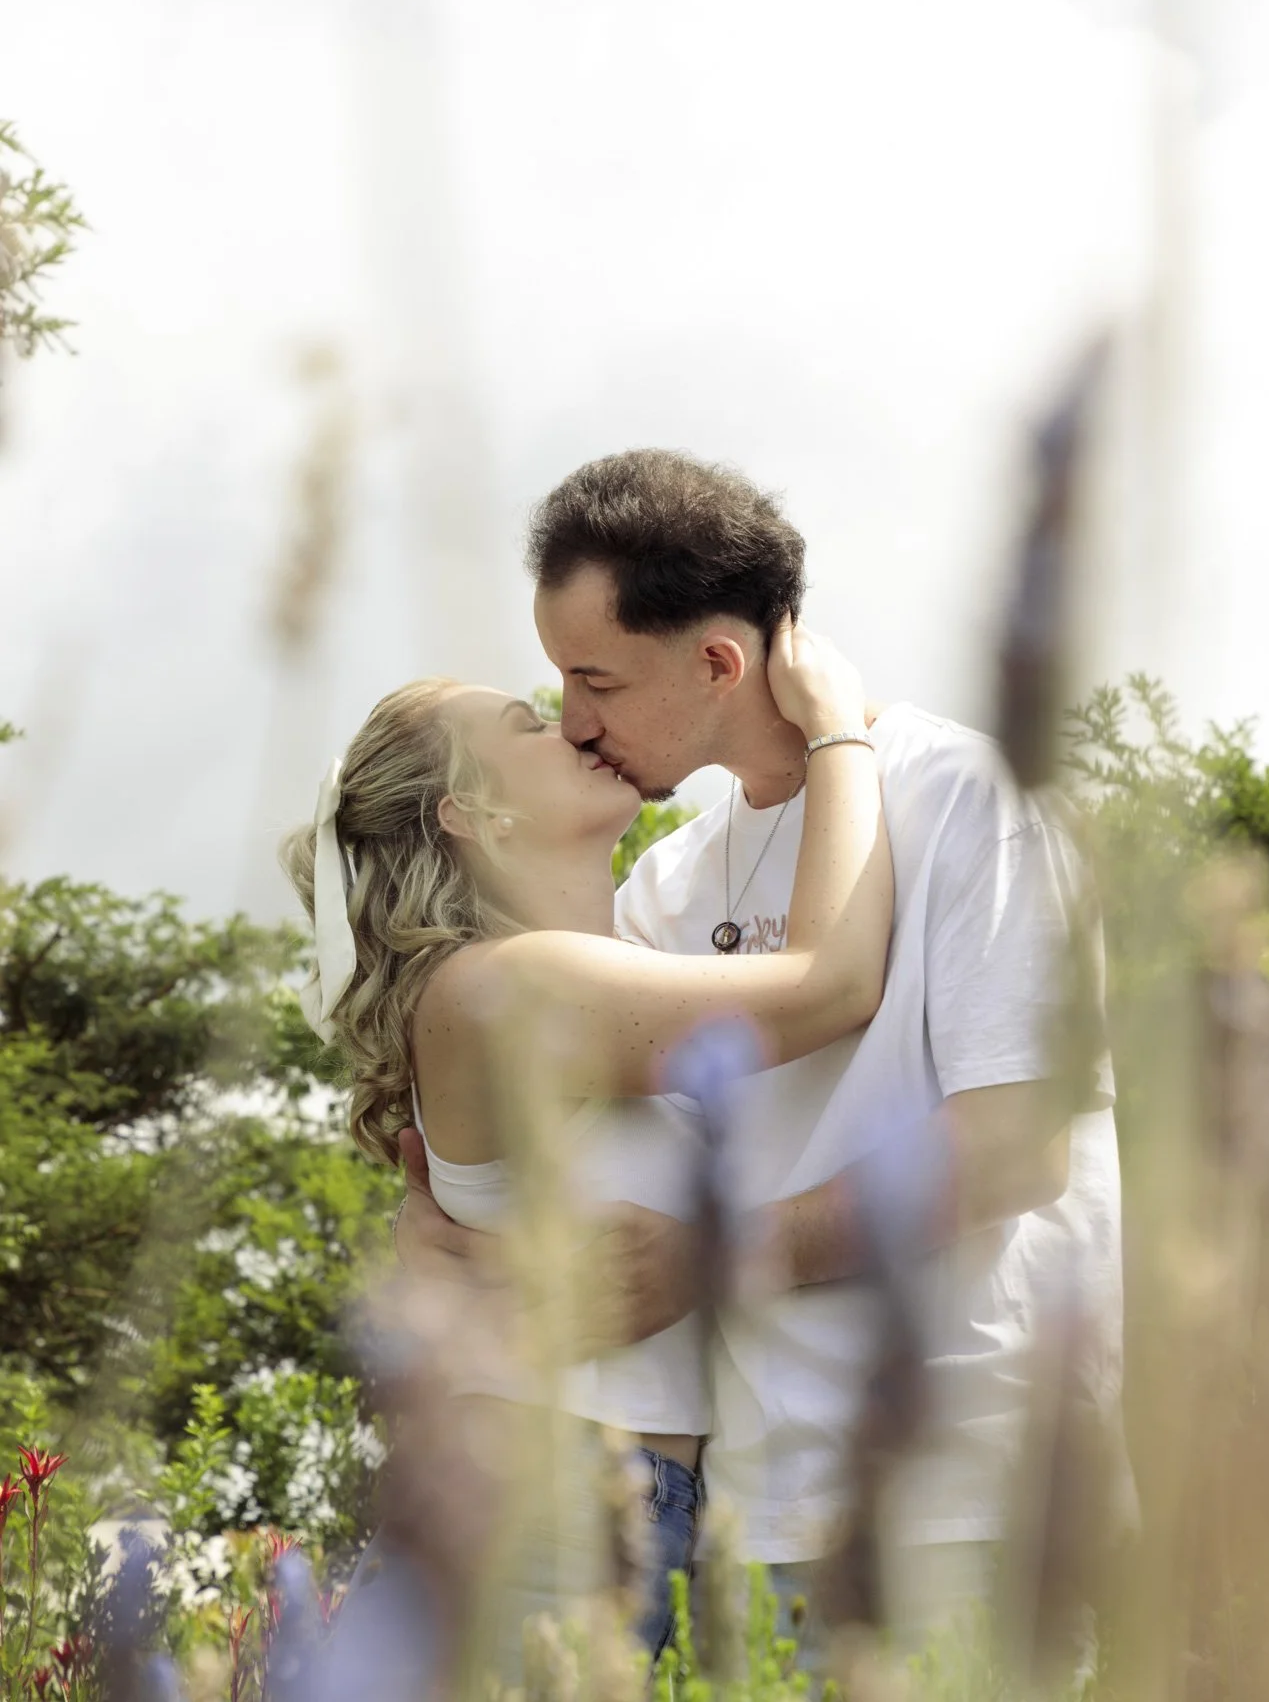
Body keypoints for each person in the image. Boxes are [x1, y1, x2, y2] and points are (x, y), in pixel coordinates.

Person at [398, 447, 1129, 1662]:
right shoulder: (665, 883)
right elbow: (593, 1141)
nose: (573, 722)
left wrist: (716, 1257)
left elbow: (1014, 1148)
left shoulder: (967, 795)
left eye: (593, 680)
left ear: (716, 664)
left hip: (964, 1493)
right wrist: (447, 1230)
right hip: (743, 1515)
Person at [281, 617, 893, 1683]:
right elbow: (831, 984)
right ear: (471, 811)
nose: (570, 725)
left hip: (614, 1509)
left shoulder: (594, 971)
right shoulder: (499, 985)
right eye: (527, 724)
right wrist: (839, 730)